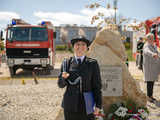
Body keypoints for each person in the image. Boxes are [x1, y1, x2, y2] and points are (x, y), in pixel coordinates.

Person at [58, 37, 102, 120]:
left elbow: (97, 86)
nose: (80, 47)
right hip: (70, 104)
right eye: (77, 44)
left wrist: (98, 105)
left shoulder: (92, 63)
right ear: (73, 47)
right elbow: (60, 85)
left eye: (83, 45)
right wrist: (63, 78)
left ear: (87, 48)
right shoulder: (67, 63)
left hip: (87, 102)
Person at [143, 33, 160, 102]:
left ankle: (151, 95)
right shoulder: (146, 45)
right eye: (150, 38)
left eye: (152, 38)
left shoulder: (154, 45)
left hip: (154, 67)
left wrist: (158, 54)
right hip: (149, 67)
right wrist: (153, 54)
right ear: (147, 39)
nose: (152, 39)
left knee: (152, 81)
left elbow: (158, 52)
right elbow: (147, 51)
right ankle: (148, 96)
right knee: (149, 82)